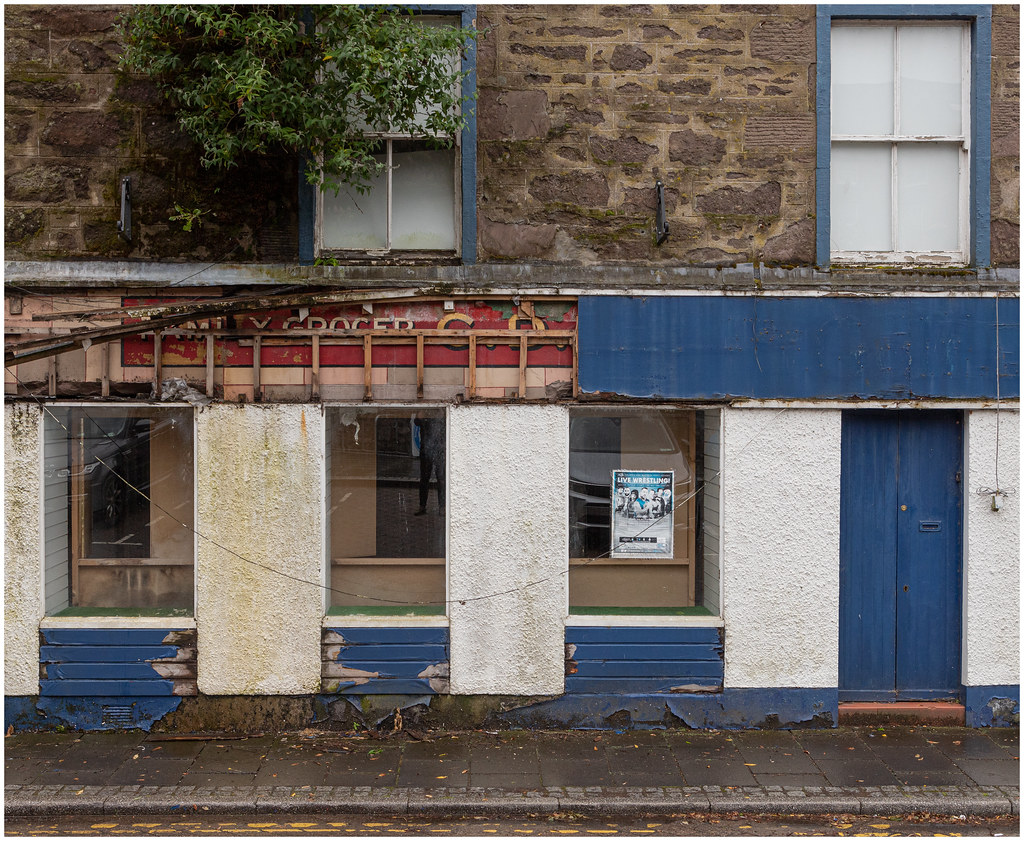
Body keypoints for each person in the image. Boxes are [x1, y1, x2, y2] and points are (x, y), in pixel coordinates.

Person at [414, 416, 445, 516]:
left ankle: (442, 507)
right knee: (424, 479)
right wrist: (420, 414)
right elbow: (416, 421)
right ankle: (422, 506)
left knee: (441, 479)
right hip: (426, 449)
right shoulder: (426, 409)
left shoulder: (441, 410)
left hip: (439, 449)